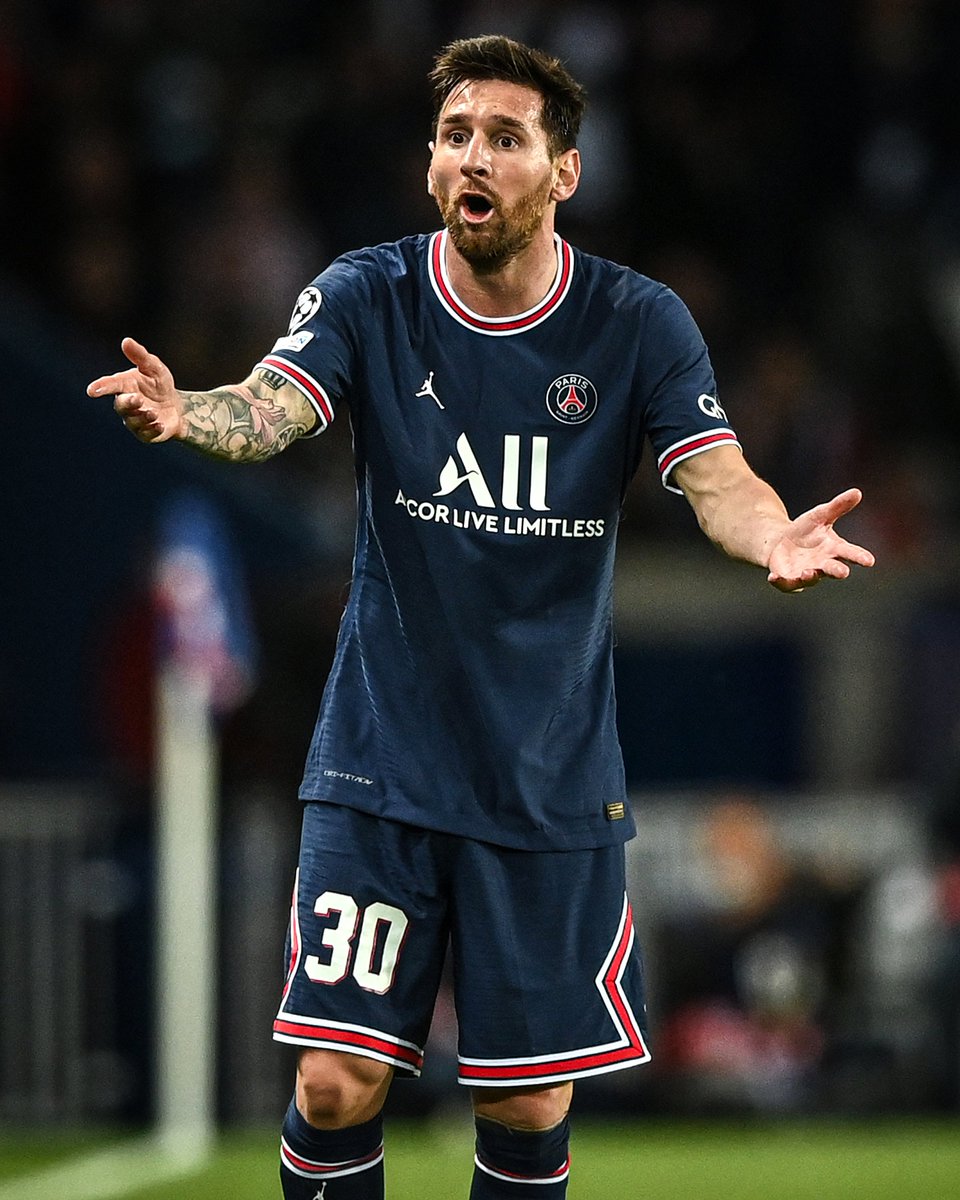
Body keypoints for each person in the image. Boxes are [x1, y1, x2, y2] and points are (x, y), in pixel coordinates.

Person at [87, 35, 875, 1200]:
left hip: (545, 784)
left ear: (563, 172)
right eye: (456, 134)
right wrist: (185, 413)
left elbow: (718, 479)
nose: (475, 156)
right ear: (429, 162)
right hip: (381, 767)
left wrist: (774, 539)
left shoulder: (636, 322)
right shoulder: (369, 293)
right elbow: (271, 406)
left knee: (525, 1102)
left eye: (506, 137)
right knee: (333, 1084)